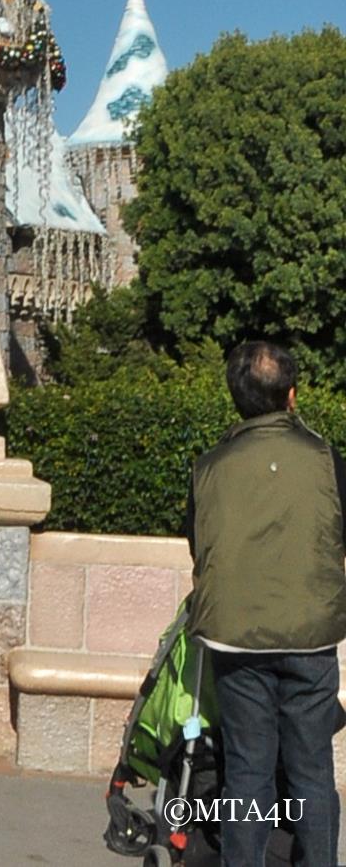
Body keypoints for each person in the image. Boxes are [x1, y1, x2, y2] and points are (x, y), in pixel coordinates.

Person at [184, 341, 346, 867]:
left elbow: (198, 543)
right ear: (292, 396)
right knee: (313, 771)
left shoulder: (210, 466)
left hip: (236, 636)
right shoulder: (326, 460)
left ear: (237, 398)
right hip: (310, 636)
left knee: (248, 771)